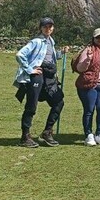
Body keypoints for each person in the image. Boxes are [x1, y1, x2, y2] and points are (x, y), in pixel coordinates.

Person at [13, 17, 68, 148]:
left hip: (49, 77)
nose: (48, 29)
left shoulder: (51, 42)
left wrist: (61, 53)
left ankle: (47, 132)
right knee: (31, 106)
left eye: (50, 26)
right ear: (41, 28)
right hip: (37, 76)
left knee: (58, 102)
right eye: (45, 26)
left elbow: (49, 57)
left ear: (53, 28)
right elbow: (20, 54)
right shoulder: (36, 41)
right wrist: (29, 69)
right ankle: (25, 136)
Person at [73, 28, 100, 146]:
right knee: (89, 110)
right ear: (94, 38)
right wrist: (88, 59)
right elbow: (79, 68)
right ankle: (88, 135)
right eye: (98, 37)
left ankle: (99, 133)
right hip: (89, 84)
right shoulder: (88, 50)